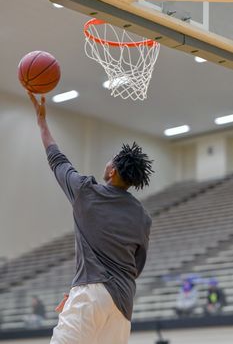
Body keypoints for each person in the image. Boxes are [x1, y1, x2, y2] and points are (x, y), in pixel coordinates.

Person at [28, 92, 153, 344]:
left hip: (91, 294)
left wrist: (42, 122)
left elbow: (57, 159)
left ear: (112, 170)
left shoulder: (87, 192)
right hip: (123, 304)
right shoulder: (143, 216)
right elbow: (135, 267)